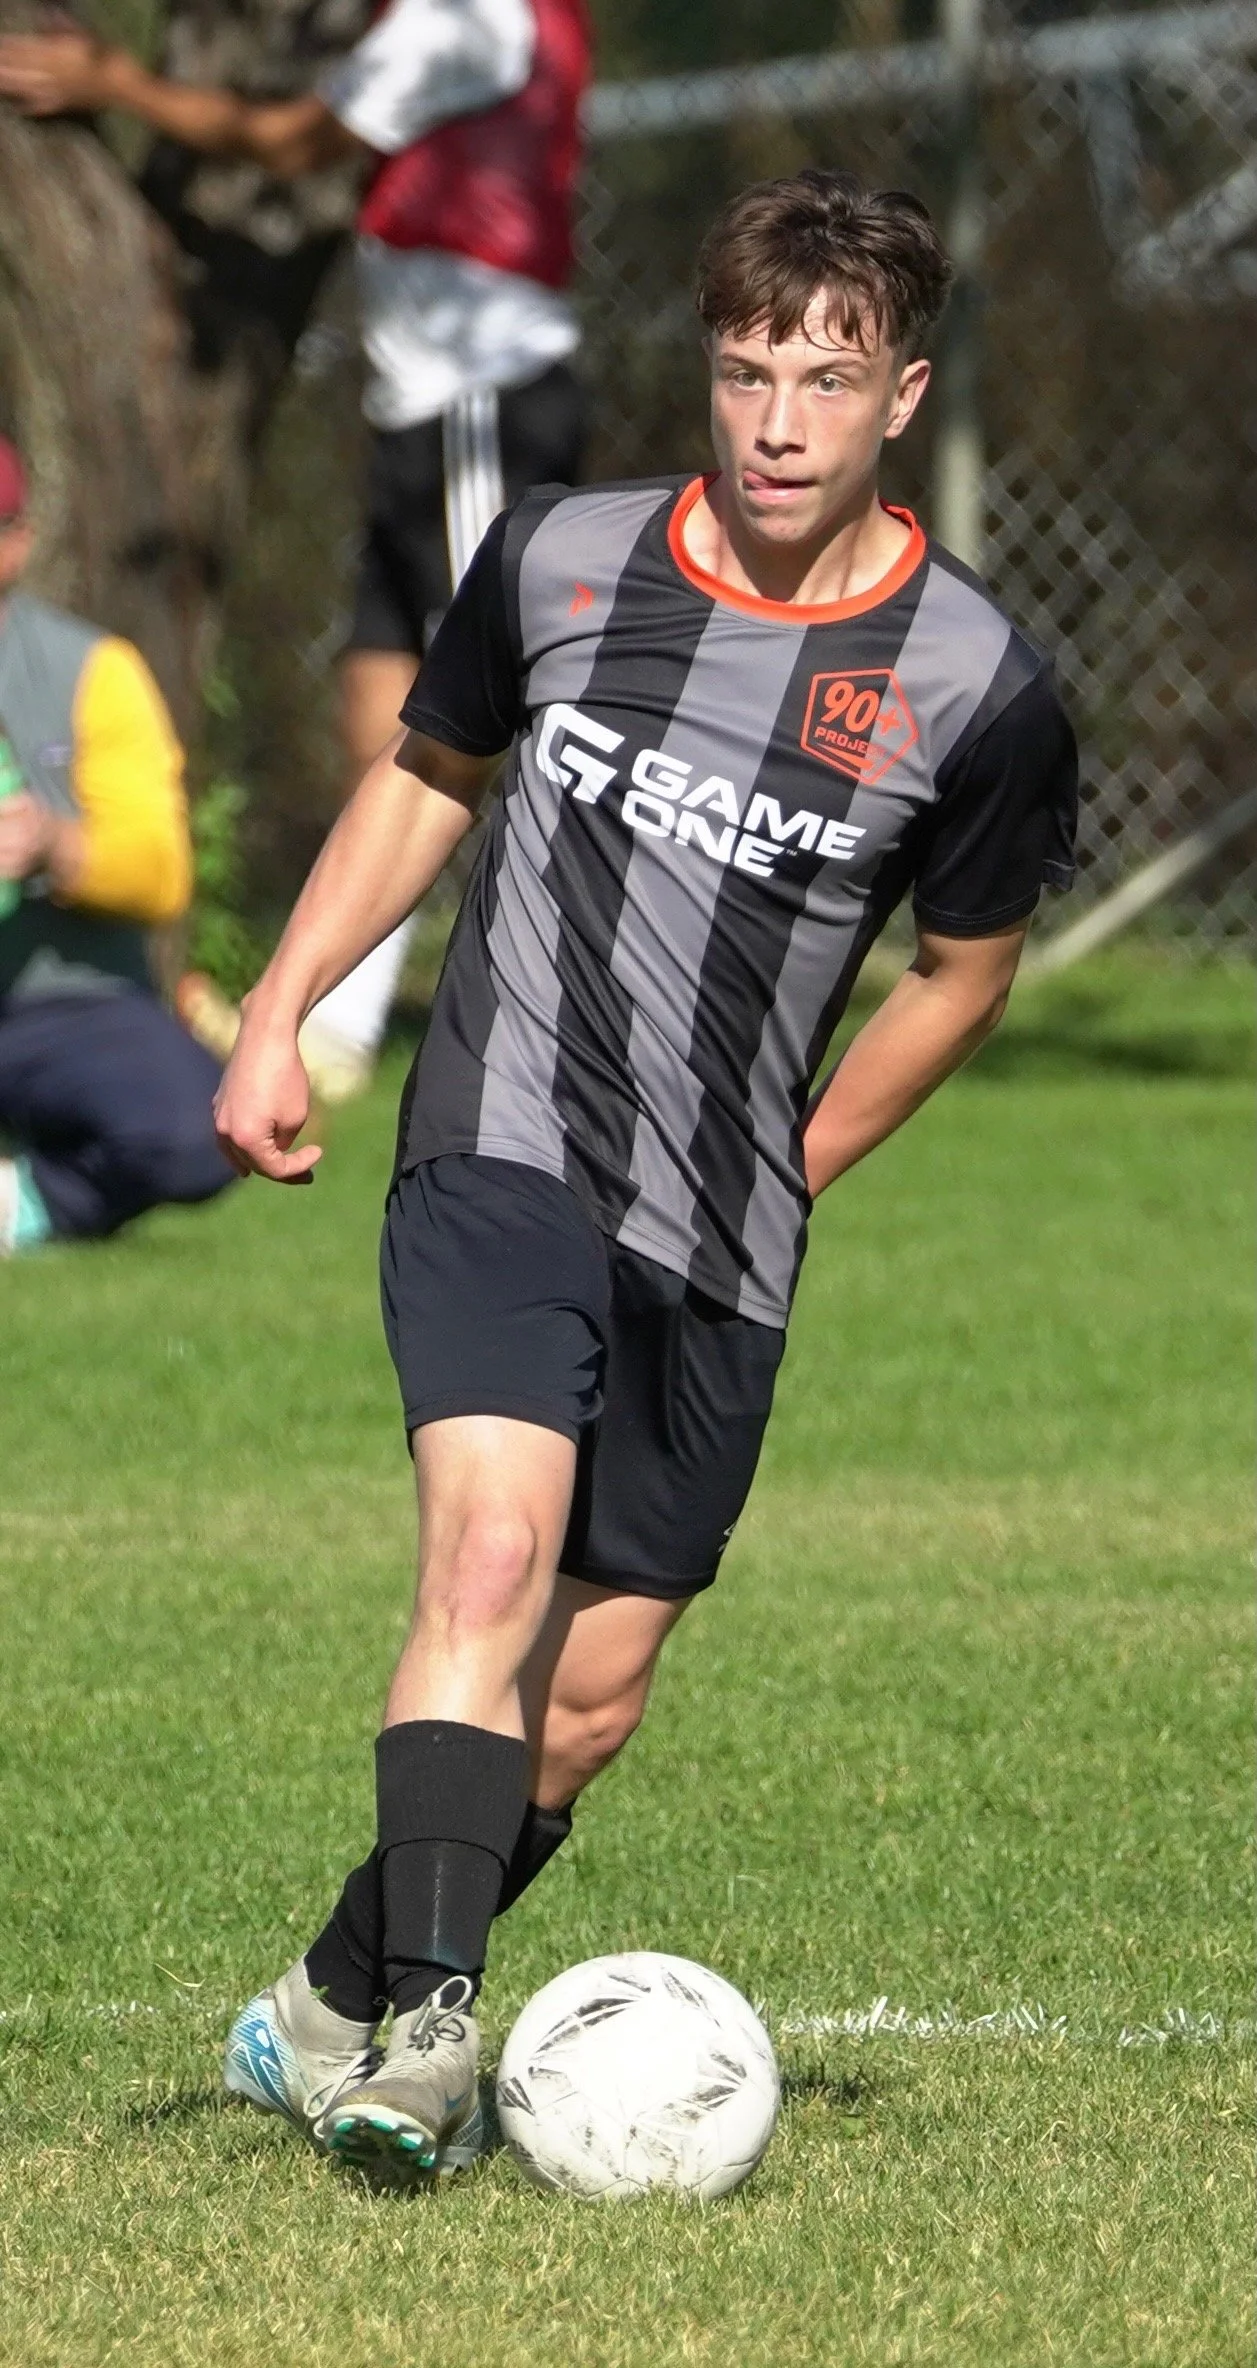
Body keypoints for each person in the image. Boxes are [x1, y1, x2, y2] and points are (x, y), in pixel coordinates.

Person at [212, 166, 1077, 2180]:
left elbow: (961, 978)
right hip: (500, 1137)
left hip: (722, 1234)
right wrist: (276, 1009)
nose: (776, 418)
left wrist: (801, 1157)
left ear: (899, 396)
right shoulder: (562, 558)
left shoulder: (975, 684)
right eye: (745, 367)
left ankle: (326, 1997)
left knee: (582, 1708)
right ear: (706, 370)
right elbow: (426, 780)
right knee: (488, 1565)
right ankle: (423, 2042)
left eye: (825, 377)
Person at [0, 0, 592, 1101]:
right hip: (420, 413)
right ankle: (337, 1026)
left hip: (487, 402)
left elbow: (292, 142)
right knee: (386, 719)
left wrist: (115, 86)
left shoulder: (468, 18)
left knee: (520, 708)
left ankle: (589, 1005)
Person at [0, 440, 236, 1253]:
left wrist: (54, 845)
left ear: (20, 539)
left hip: (57, 1004)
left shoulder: (93, 669)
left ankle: (27, 1201)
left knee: (196, 1130)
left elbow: (162, 874)